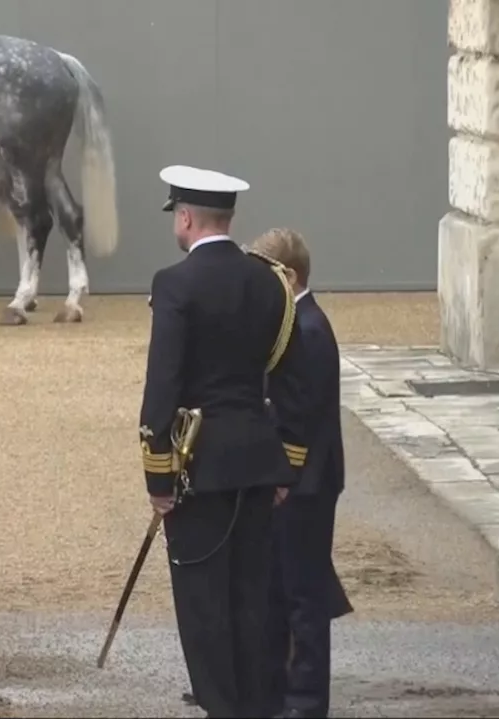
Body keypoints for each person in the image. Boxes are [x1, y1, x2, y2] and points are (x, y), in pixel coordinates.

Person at [139, 165, 312, 718]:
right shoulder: (272, 281)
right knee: (250, 599)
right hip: (259, 465)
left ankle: (223, 708)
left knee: (203, 605)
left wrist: (158, 478)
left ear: (185, 218)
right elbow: (292, 382)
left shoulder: (174, 283)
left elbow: (162, 387)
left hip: (198, 465)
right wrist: (287, 462)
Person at [250, 228, 353, 719]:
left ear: (289, 277)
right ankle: (278, 692)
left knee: (303, 599)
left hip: (305, 486)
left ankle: (306, 704)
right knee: (282, 591)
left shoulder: (307, 330)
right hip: (297, 482)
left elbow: (299, 416)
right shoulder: (295, 323)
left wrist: (282, 478)